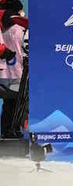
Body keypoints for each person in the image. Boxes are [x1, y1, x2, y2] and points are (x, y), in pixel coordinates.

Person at [0, 10, 26, 138]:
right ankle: (14, 130)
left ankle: (6, 131)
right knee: (17, 102)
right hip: (18, 72)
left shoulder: (2, 28)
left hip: (4, 72)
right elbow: (22, 50)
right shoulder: (20, 29)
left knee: (7, 103)